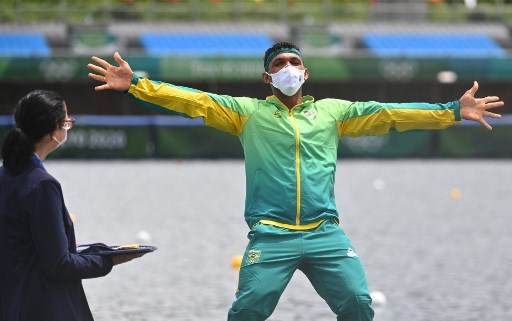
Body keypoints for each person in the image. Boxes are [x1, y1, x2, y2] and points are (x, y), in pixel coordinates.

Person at [87, 42, 503, 321]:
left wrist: (451, 110)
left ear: (306, 72)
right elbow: (193, 100)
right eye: (278, 65)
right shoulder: (246, 112)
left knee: (359, 304)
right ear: (267, 79)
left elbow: (391, 113)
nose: (287, 69)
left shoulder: (333, 113)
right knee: (247, 311)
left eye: (293, 63)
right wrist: (136, 85)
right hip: (272, 237)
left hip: (326, 233)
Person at [0, 89, 145, 321]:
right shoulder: (42, 185)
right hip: (41, 308)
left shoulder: (5, 175)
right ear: (54, 131)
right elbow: (59, 265)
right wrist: (108, 259)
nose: (69, 125)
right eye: (67, 121)